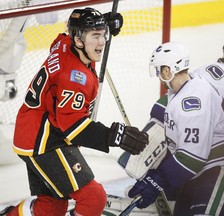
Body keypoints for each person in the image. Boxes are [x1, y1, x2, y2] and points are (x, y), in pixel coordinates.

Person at [0, 7, 149, 216]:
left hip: (31, 132)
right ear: (78, 41)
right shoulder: (74, 77)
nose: (102, 42)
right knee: (93, 197)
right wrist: (114, 136)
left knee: (52, 207)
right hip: (44, 142)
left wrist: (101, 24)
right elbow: (72, 127)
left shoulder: (64, 44)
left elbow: (64, 36)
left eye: (102, 35)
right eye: (95, 36)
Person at [128, 41, 224, 216]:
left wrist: (157, 180)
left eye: (159, 70)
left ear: (167, 70)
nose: (158, 75)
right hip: (196, 174)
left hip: (222, 167)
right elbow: (162, 110)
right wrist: (143, 137)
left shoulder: (193, 101)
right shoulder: (185, 87)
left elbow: (192, 158)